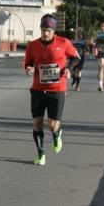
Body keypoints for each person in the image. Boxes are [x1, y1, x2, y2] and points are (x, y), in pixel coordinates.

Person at [22, 15, 79, 165]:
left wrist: (69, 69)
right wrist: (28, 69)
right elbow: (28, 64)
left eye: (48, 31)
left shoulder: (64, 42)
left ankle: (57, 133)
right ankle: (40, 154)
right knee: (37, 123)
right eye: (43, 30)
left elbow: (76, 57)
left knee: (52, 125)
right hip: (37, 89)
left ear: (54, 31)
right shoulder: (33, 45)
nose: (45, 33)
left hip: (57, 89)